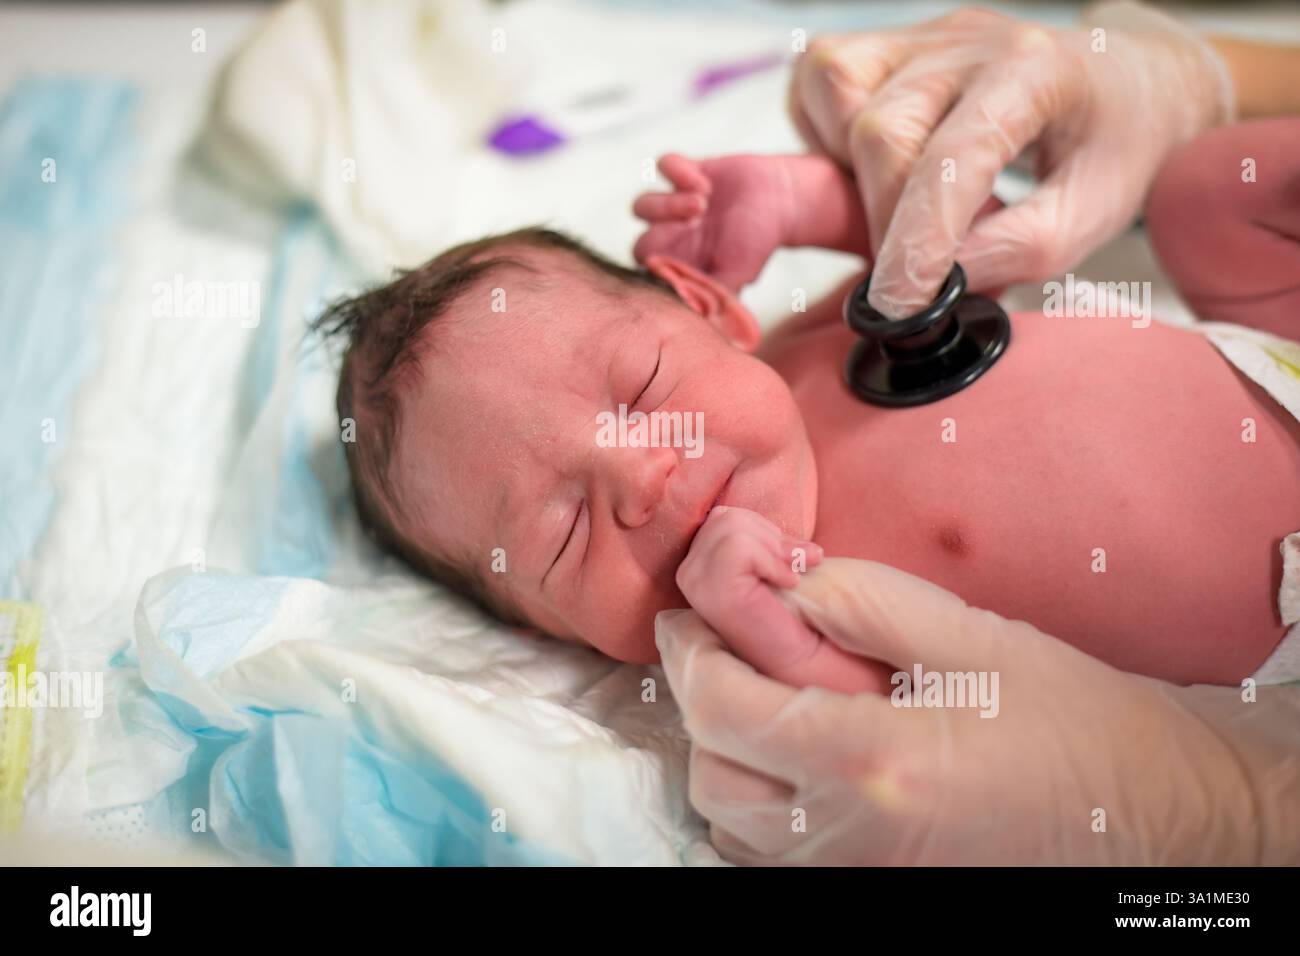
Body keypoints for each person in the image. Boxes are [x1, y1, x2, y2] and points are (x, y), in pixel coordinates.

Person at [654, 0, 1300, 864]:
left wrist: (788, 199)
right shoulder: (780, 575)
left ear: (701, 310)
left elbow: (931, 229)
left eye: (640, 391)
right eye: (562, 532)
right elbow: (878, 723)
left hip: (1275, 354)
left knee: (1209, 186)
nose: (644, 478)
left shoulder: (788, 344)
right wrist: (770, 630)